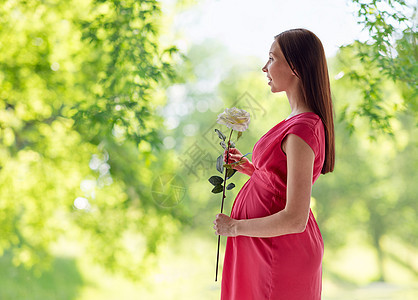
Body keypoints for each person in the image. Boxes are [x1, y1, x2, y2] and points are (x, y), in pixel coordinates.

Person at [212, 28, 335, 300]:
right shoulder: (297, 121)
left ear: (296, 67)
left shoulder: (304, 127)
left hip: (277, 251)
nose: (264, 67)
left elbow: (295, 218)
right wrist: (251, 169)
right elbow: (281, 184)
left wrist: (234, 227)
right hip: (264, 247)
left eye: (271, 58)